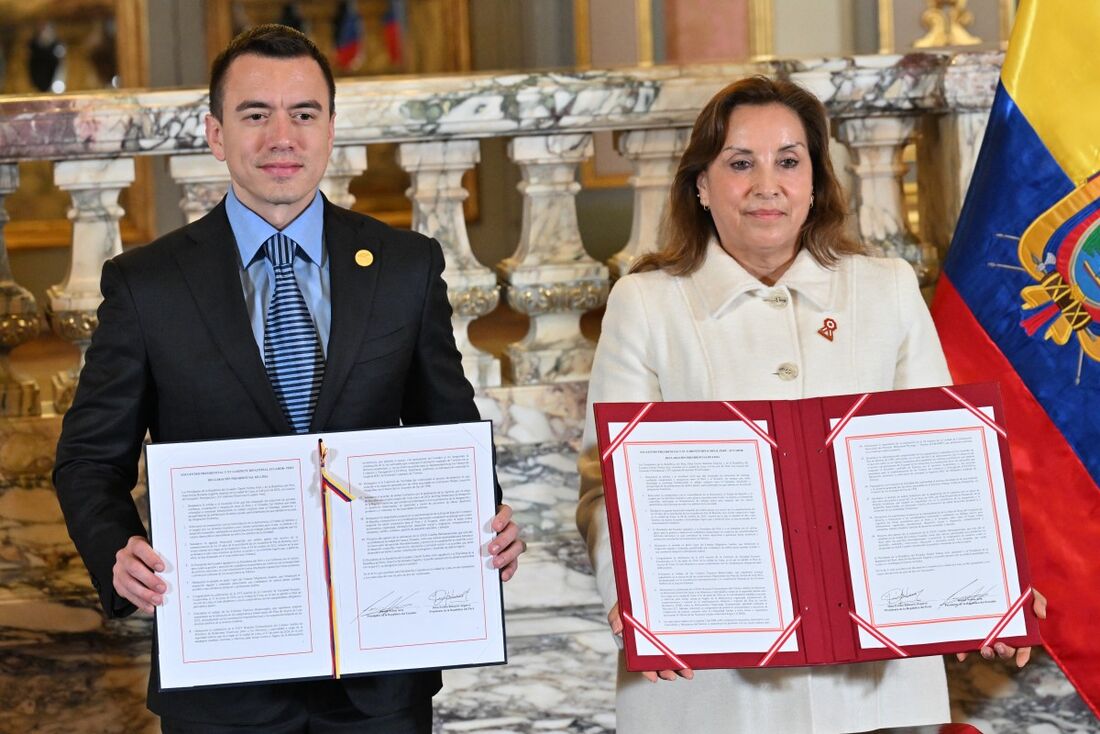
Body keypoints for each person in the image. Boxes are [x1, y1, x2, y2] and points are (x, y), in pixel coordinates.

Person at [53, 24, 524, 734]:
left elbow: (448, 434)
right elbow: (89, 459)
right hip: (222, 679)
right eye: (255, 114)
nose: (283, 136)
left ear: (331, 128)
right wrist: (118, 554)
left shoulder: (404, 267)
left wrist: (482, 518)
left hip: (379, 679)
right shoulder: (146, 285)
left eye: (304, 113)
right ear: (215, 134)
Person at [575, 76, 1045, 733]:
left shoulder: (886, 291)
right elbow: (605, 489)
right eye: (740, 163)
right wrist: (630, 596)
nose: (767, 184)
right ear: (702, 186)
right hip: (707, 691)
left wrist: (988, 587)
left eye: (789, 161)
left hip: (874, 685)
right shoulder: (646, 303)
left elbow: (943, 471)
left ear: (816, 182)